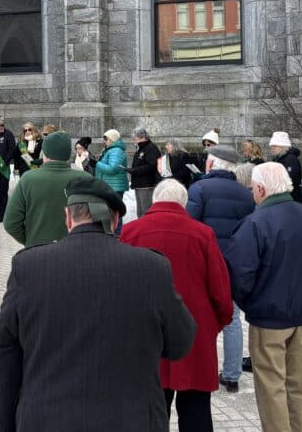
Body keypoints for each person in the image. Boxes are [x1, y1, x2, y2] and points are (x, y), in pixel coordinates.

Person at [0, 175, 197, 431]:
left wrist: (6, 424)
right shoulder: (152, 267)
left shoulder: (29, 266)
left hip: (48, 420)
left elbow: (4, 355)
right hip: (132, 420)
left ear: (68, 218)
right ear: (115, 220)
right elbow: (180, 344)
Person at [121, 179, 232, 431]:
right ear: (183, 203)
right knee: (196, 412)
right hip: (194, 332)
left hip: (144, 334)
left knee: (149, 413)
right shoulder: (203, 234)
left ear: (154, 200)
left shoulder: (130, 232)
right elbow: (221, 290)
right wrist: (216, 323)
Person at [225, 163, 302, 432]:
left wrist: (249, 304)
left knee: (271, 388)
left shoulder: (256, 222)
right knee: (297, 385)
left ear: (260, 189)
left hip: (269, 319)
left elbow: (239, 274)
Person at [186, 144, 255, 393]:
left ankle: (196, 368)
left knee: (198, 316)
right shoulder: (246, 194)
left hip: (205, 263)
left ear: (213, 164)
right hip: (233, 263)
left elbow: (189, 227)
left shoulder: (199, 189)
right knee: (232, 319)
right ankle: (232, 374)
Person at [4, 132, 76, 246]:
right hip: (74, 249)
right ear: (69, 153)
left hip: (37, 249)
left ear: (45, 153)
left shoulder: (28, 178)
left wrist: (30, 240)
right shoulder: (85, 179)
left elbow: (10, 223)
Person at [127, 127, 160, 217]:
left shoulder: (151, 148)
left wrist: (134, 170)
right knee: (140, 212)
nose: (134, 141)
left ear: (143, 137)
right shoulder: (141, 148)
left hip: (147, 184)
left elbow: (151, 166)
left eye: (136, 139)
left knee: (146, 211)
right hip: (139, 184)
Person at [268, 131, 302, 203]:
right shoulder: (277, 159)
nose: (272, 148)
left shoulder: (291, 159)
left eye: (275, 146)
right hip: (280, 198)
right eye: (271, 146)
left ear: (283, 146)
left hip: (290, 199)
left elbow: (290, 180)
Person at [95, 129, 128, 198]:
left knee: (114, 208)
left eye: (106, 139)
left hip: (114, 187)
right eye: (104, 138)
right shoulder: (109, 150)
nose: (104, 141)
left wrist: (96, 164)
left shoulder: (116, 151)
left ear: (112, 139)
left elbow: (112, 168)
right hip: (110, 186)